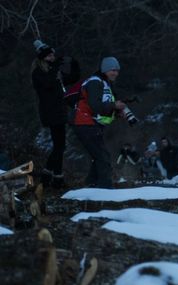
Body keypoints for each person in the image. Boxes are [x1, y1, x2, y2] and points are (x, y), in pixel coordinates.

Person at [71, 56, 129, 189]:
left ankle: (91, 186)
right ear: (104, 70)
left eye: (117, 70)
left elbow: (103, 107)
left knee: (99, 156)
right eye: (112, 70)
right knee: (103, 156)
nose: (115, 73)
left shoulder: (105, 83)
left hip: (92, 124)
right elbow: (95, 106)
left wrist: (117, 112)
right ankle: (105, 189)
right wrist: (114, 105)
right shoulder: (95, 82)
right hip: (84, 122)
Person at [30, 40, 74, 187]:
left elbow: (70, 79)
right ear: (43, 57)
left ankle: (54, 177)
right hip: (51, 112)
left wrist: (71, 64)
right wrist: (56, 67)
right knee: (59, 146)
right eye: (50, 56)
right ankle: (50, 175)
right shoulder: (38, 73)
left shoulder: (53, 71)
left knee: (59, 145)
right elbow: (48, 84)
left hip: (59, 111)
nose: (52, 58)